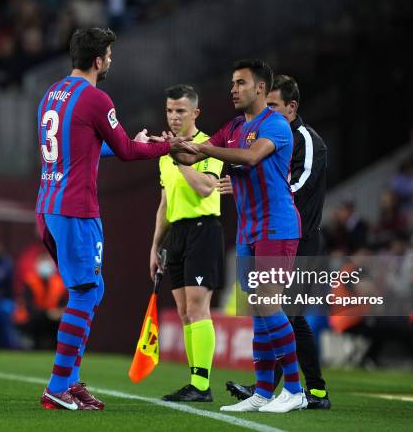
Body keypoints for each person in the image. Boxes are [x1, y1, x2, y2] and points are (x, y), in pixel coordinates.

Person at [35, 27, 189, 411]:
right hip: (75, 210)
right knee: (86, 292)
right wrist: (165, 145)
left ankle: (69, 383)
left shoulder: (50, 94)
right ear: (99, 59)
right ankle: (57, 385)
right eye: (109, 55)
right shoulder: (96, 98)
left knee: (87, 291)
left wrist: (124, 141)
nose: (111, 61)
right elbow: (125, 150)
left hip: (48, 206)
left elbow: (83, 147)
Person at [171, 59, 306, 413]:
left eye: (241, 83)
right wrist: (168, 146)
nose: (233, 89)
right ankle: (262, 392)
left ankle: (294, 389)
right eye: (232, 82)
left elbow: (248, 158)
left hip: (277, 226)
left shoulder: (276, 125)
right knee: (255, 309)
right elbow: (192, 152)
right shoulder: (232, 126)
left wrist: (201, 150)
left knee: (266, 302)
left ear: (260, 88)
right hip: (248, 229)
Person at [222, 75, 331, 409]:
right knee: (270, 308)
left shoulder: (306, 139)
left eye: (273, 105)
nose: (266, 110)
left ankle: (311, 390)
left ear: (291, 107)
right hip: (274, 233)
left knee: (287, 313)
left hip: (302, 238)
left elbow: (300, 183)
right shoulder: (264, 133)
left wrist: (264, 188)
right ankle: (267, 390)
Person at [148, 84, 224, 402]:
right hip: (177, 234)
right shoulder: (165, 156)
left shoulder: (209, 145)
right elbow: (165, 202)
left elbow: (206, 187)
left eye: (180, 110)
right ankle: (196, 383)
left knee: (197, 307)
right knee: (182, 310)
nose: (174, 117)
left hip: (203, 229)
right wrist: (155, 246)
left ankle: (202, 385)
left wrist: (178, 158)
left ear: (195, 113)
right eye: (169, 110)